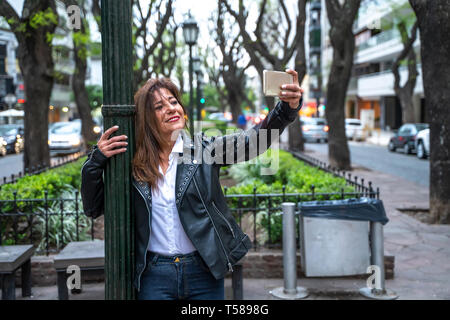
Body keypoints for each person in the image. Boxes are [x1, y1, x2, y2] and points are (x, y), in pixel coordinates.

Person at [81, 69, 304, 300]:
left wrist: (286, 109)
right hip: (154, 275)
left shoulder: (205, 150)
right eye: (159, 107)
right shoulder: (131, 163)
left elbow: (254, 141)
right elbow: (93, 207)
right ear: (146, 119)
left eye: (173, 102)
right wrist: (96, 161)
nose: (170, 108)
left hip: (203, 272)